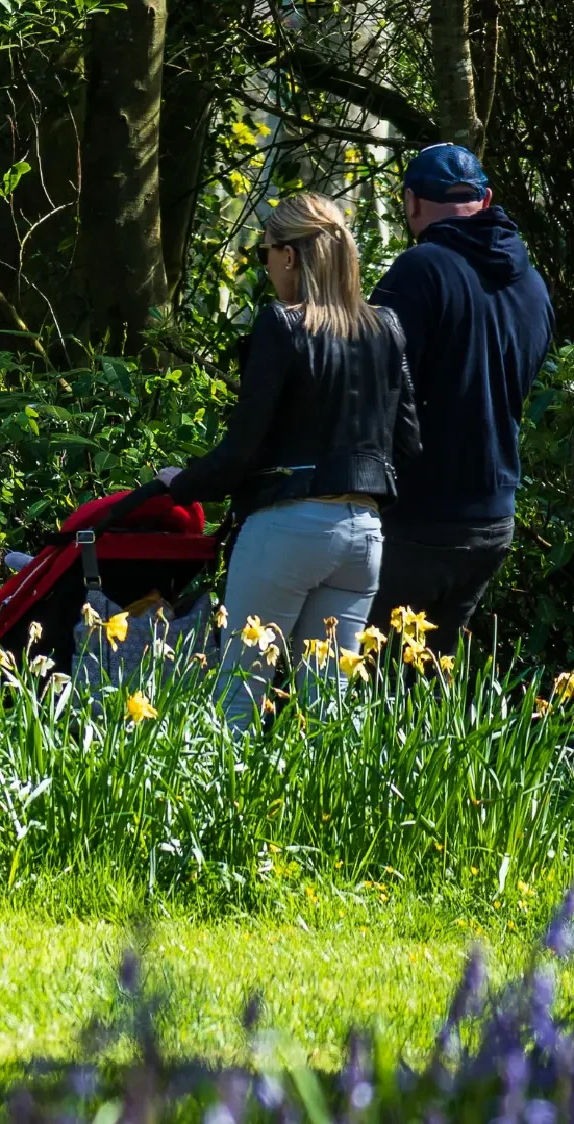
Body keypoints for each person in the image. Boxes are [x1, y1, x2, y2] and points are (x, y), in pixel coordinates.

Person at [159, 192, 419, 727]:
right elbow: (409, 443)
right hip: (363, 532)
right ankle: (334, 811)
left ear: (289, 256)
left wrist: (177, 485)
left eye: (266, 252)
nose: (267, 265)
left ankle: (212, 809)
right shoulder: (386, 328)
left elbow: (241, 451)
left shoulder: (281, 324)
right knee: (328, 713)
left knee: (239, 697)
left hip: (288, 528)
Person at [365, 144, 556, 654]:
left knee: (364, 682)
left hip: (418, 517)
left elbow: (370, 385)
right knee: (427, 682)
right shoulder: (534, 287)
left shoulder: (419, 271)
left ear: (410, 202)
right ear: (486, 197)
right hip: (493, 520)